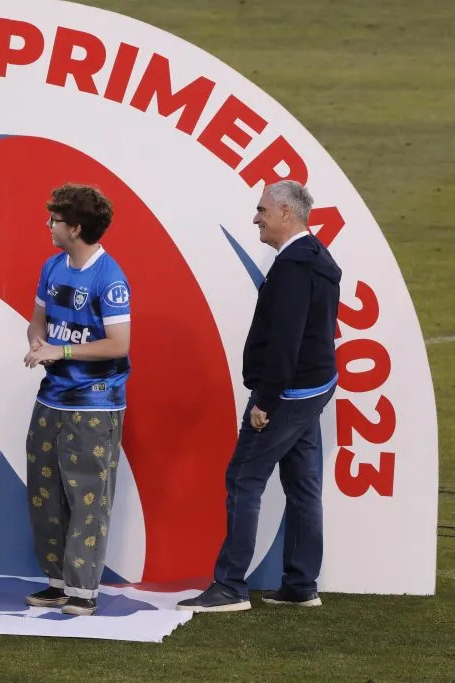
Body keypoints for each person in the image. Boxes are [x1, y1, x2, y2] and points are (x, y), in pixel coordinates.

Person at [177, 180, 341, 613]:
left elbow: (286, 341)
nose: (256, 218)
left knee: (243, 479)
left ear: (286, 213)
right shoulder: (318, 257)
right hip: (313, 387)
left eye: (262, 210)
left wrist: (266, 401)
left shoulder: (292, 267)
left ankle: (230, 586)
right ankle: (302, 584)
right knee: (304, 486)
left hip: (287, 393)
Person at [21, 184, 131, 617]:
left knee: (88, 494)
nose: (48, 225)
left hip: (95, 404)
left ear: (76, 228)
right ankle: (57, 582)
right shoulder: (52, 267)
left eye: (55, 220)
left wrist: (60, 351)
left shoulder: (110, 278)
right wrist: (36, 342)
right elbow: (38, 321)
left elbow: (119, 344)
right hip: (51, 399)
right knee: (44, 492)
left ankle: (84, 590)